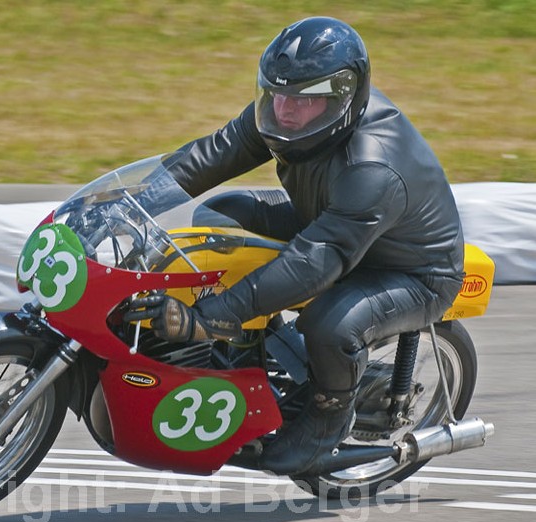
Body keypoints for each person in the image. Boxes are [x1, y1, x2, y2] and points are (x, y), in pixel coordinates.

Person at [124, 16, 465, 475]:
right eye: (277, 93)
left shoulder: (373, 169)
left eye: (301, 99)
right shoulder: (288, 113)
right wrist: (131, 201)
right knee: (223, 217)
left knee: (330, 323)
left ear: (341, 98)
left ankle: (327, 420)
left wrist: (208, 318)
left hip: (411, 272)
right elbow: (212, 154)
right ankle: (249, 351)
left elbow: (312, 264)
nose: (283, 109)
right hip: (331, 222)